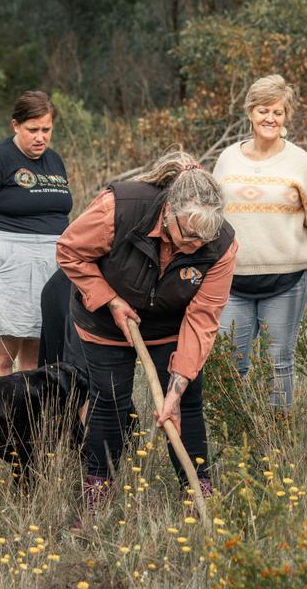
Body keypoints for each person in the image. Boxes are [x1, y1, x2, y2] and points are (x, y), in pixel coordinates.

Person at [57, 149, 237, 513]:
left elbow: (202, 320)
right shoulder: (119, 208)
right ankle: (98, 489)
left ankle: (197, 490)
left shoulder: (221, 246)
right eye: (187, 235)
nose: (193, 247)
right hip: (104, 322)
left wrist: (179, 382)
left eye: (202, 240)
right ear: (169, 210)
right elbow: (70, 251)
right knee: (109, 400)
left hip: (169, 325)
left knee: (186, 403)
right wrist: (110, 299)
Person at [213, 75, 307, 410]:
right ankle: (233, 436)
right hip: (233, 281)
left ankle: (277, 438)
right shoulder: (227, 160)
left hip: (286, 281)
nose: (270, 118)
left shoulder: (302, 163)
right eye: (263, 110)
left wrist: (298, 255)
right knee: (231, 366)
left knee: (279, 364)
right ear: (250, 112)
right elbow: (215, 216)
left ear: (286, 116)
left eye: (277, 112)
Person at [0, 91, 72, 376]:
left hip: (51, 266)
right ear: (15, 125)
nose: (40, 137)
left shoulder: (54, 161)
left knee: (37, 362)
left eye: (46, 130)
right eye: (32, 130)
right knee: (3, 358)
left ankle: (26, 421)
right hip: (8, 266)